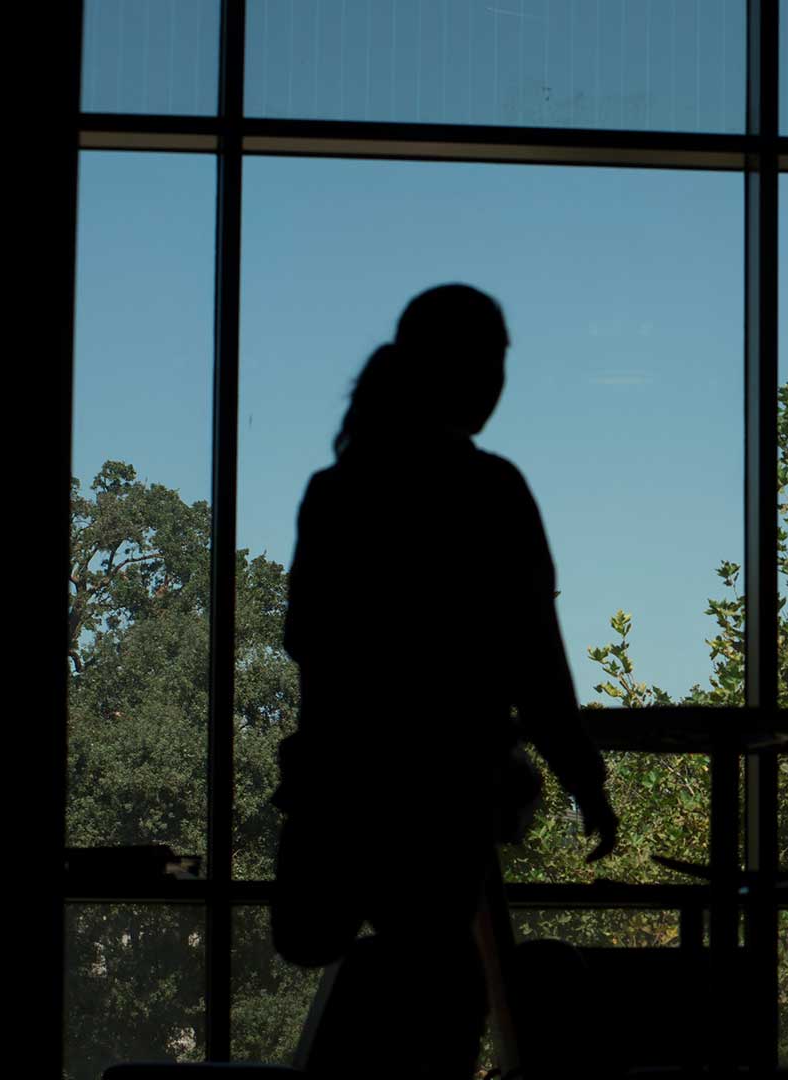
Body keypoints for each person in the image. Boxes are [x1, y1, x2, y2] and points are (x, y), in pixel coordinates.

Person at [272, 284, 618, 1077]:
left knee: (336, 944)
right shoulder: (493, 492)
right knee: (435, 974)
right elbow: (539, 660)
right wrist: (580, 777)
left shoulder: (337, 492)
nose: (499, 381)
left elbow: (309, 643)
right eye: (492, 362)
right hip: (445, 795)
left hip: (344, 784)